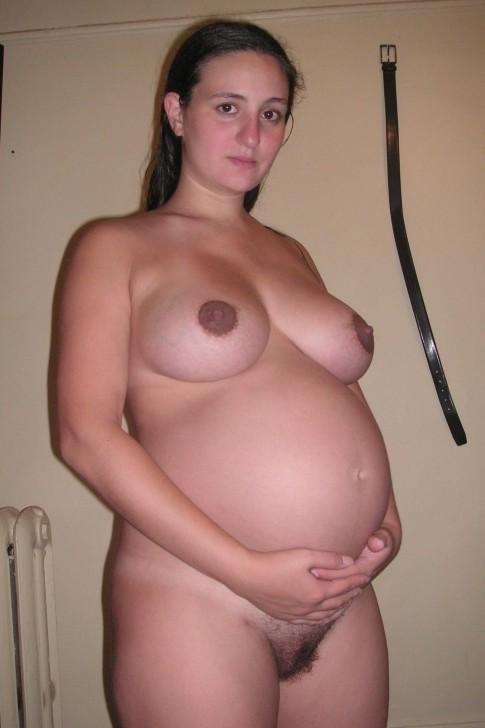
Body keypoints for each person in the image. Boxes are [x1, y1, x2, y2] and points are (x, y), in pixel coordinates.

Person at [54, 19, 401, 728]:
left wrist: (386, 523)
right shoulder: (114, 246)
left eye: (271, 114)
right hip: (199, 593)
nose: (252, 134)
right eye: (227, 107)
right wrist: (248, 571)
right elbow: (84, 434)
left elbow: (340, 391)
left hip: (340, 595)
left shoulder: (292, 253)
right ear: (177, 112)